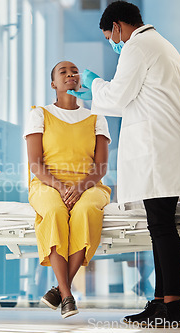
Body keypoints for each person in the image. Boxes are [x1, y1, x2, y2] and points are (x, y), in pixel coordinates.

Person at [67, 1, 180, 328]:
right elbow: (135, 102)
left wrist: (95, 84)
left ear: (119, 27)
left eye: (111, 36)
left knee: (162, 228)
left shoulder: (137, 47)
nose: (113, 43)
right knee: (159, 227)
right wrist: (97, 91)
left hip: (159, 148)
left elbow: (118, 97)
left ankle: (174, 308)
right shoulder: (162, 45)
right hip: (164, 143)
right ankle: (158, 303)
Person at [25, 60, 111, 318]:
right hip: (48, 183)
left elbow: (101, 167)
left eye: (74, 71)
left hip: (90, 183)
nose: (71, 74)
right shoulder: (39, 114)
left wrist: (80, 188)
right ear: (54, 84)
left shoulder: (96, 116)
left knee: (85, 211)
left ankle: (62, 291)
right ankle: (67, 294)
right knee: (53, 211)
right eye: (63, 72)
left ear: (80, 81)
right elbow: (35, 165)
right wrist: (62, 188)